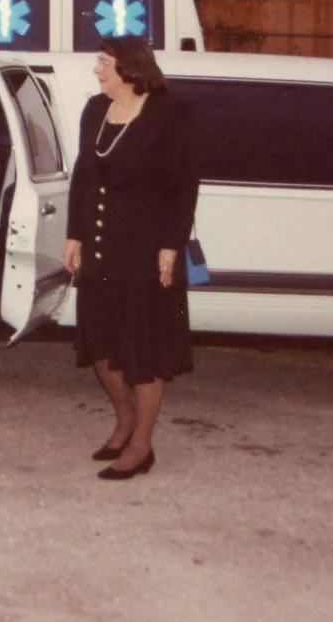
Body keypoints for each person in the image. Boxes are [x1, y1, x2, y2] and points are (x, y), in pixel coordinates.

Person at [62, 36, 198, 481]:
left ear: (129, 68)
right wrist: (75, 234)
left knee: (143, 349)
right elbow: (84, 176)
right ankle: (124, 421)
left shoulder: (169, 115)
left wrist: (170, 246)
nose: (97, 71)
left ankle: (142, 444)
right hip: (102, 247)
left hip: (145, 247)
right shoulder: (94, 111)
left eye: (103, 64)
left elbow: (184, 187)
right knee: (101, 344)